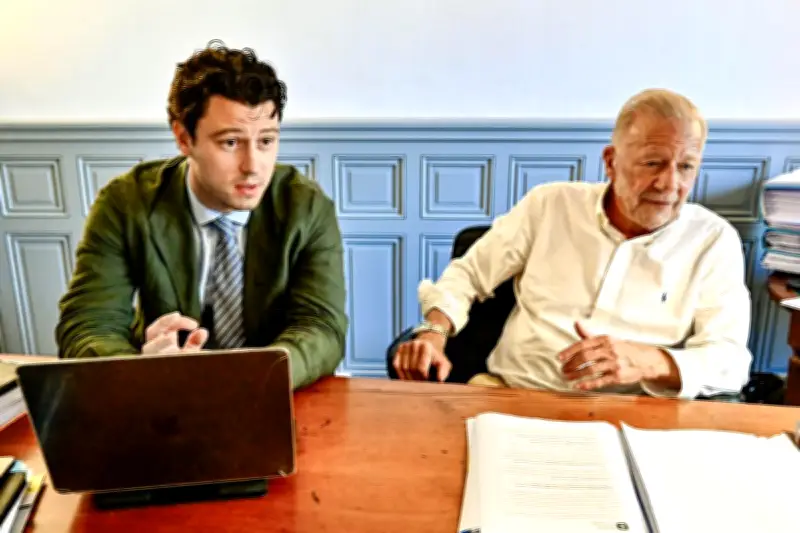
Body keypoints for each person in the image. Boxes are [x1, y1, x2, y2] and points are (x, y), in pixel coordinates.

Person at [393, 88, 753, 400]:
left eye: (686, 166)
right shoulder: (550, 205)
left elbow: (730, 360)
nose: (669, 184)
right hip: (513, 395)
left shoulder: (713, 240)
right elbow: (469, 274)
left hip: (636, 415)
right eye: (652, 163)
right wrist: (434, 332)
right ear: (611, 162)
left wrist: (647, 361)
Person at [55, 41, 348, 390]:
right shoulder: (126, 202)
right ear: (184, 138)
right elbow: (87, 323)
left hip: (270, 391)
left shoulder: (306, 206)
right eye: (230, 143)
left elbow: (322, 327)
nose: (253, 167)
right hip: (161, 392)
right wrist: (137, 370)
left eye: (266, 141)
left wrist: (252, 374)